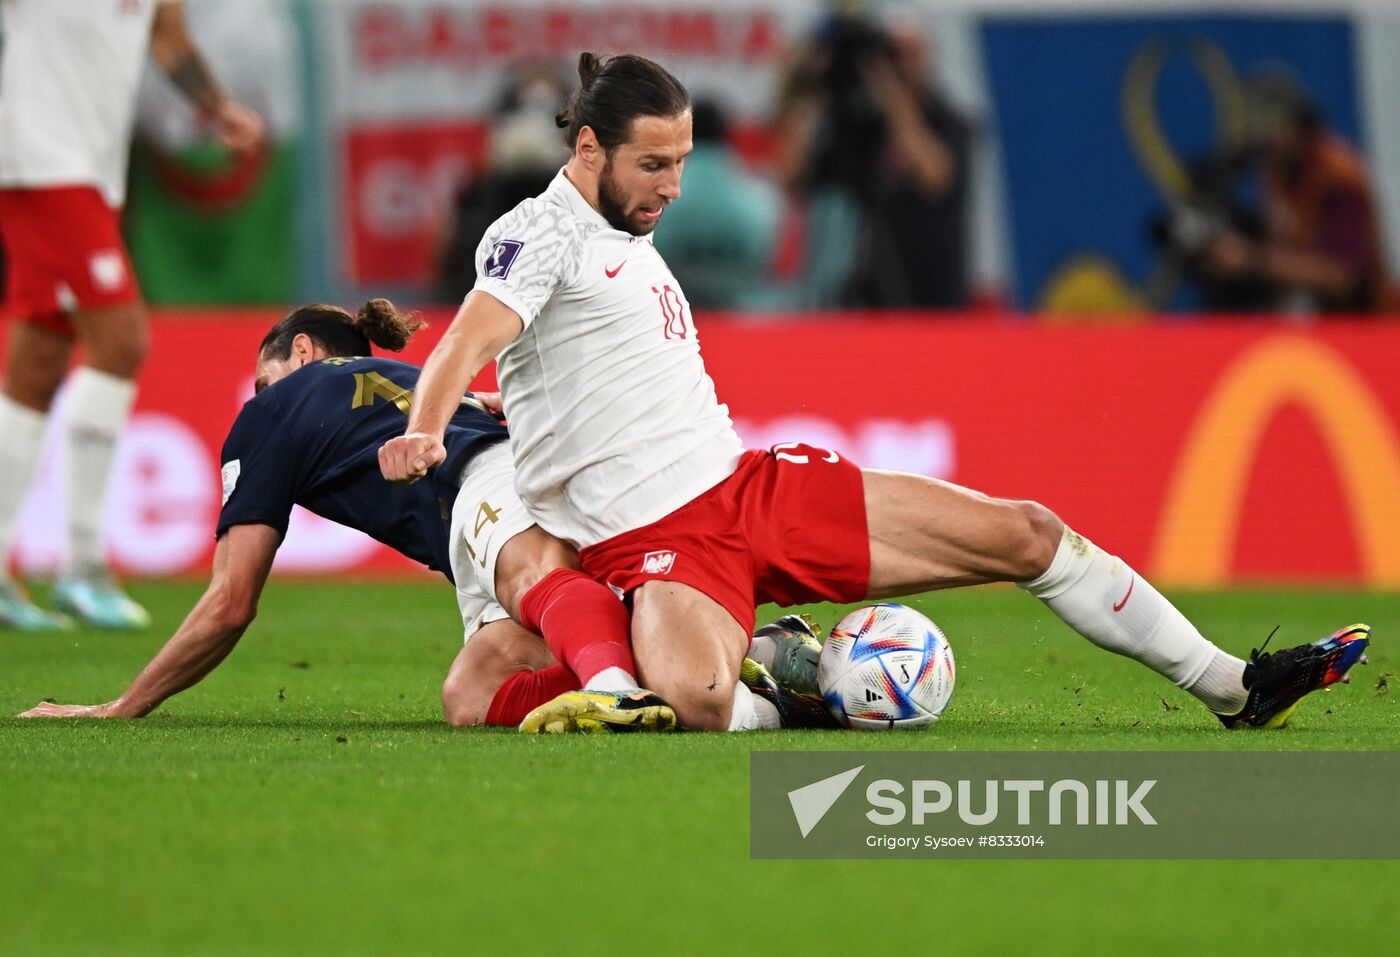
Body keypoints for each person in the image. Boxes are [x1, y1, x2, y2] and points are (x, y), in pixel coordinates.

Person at [381, 51, 1371, 735]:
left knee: (1022, 532)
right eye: (653, 164)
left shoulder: (623, 230)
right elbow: (468, 335)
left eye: (681, 162)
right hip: (656, 544)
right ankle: (790, 692)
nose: (673, 187)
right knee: (688, 703)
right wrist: (426, 428)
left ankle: (1231, 686)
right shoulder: (535, 233)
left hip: (751, 489)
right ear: (587, 149)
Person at [17, 302, 669, 730]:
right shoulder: (398, 377)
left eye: (262, 380)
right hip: (515, 479)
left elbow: (230, 602)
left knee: (535, 577)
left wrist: (122, 705)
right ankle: (677, 675)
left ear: (301, 351)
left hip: (485, 486)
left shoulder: (275, 408)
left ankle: (616, 683)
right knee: (471, 695)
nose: (259, 396)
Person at [0, 0, 264, 630]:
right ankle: (84, 565)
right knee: (121, 340)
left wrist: (219, 107)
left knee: (38, 357)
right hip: (40, 161)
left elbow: (168, 39)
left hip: (92, 171)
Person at [772, 13, 972, 309]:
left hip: (923, 294)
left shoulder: (946, 119)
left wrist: (890, 94)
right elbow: (788, 177)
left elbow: (935, 176)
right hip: (848, 297)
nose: (898, 65)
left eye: (905, 53)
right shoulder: (842, 124)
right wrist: (810, 87)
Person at [1201, 70, 1390, 315]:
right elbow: (1283, 243)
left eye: (1273, 132)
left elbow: (1344, 277)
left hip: (1366, 322)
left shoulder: (1340, 176)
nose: (1267, 144)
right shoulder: (1276, 171)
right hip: (1310, 319)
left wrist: (1252, 260)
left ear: (1299, 126)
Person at [649, 100, 781, 310]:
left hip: (670, 308)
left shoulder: (657, 191)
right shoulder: (757, 194)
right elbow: (766, 254)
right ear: (726, 137)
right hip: (738, 310)